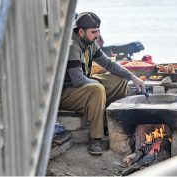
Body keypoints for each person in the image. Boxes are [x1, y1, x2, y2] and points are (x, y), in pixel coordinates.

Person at [59, 12, 145, 155]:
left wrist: (132, 77)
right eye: (94, 32)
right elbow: (78, 80)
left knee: (119, 80)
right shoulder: (72, 46)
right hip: (66, 93)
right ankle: (95, 138)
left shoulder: (89, 43)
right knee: (97, 89)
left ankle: (113, 125)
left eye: (98, 31)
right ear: (81, 31)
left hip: (81, 85)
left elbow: (108, 64)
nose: (97, 35)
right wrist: (101, 87)